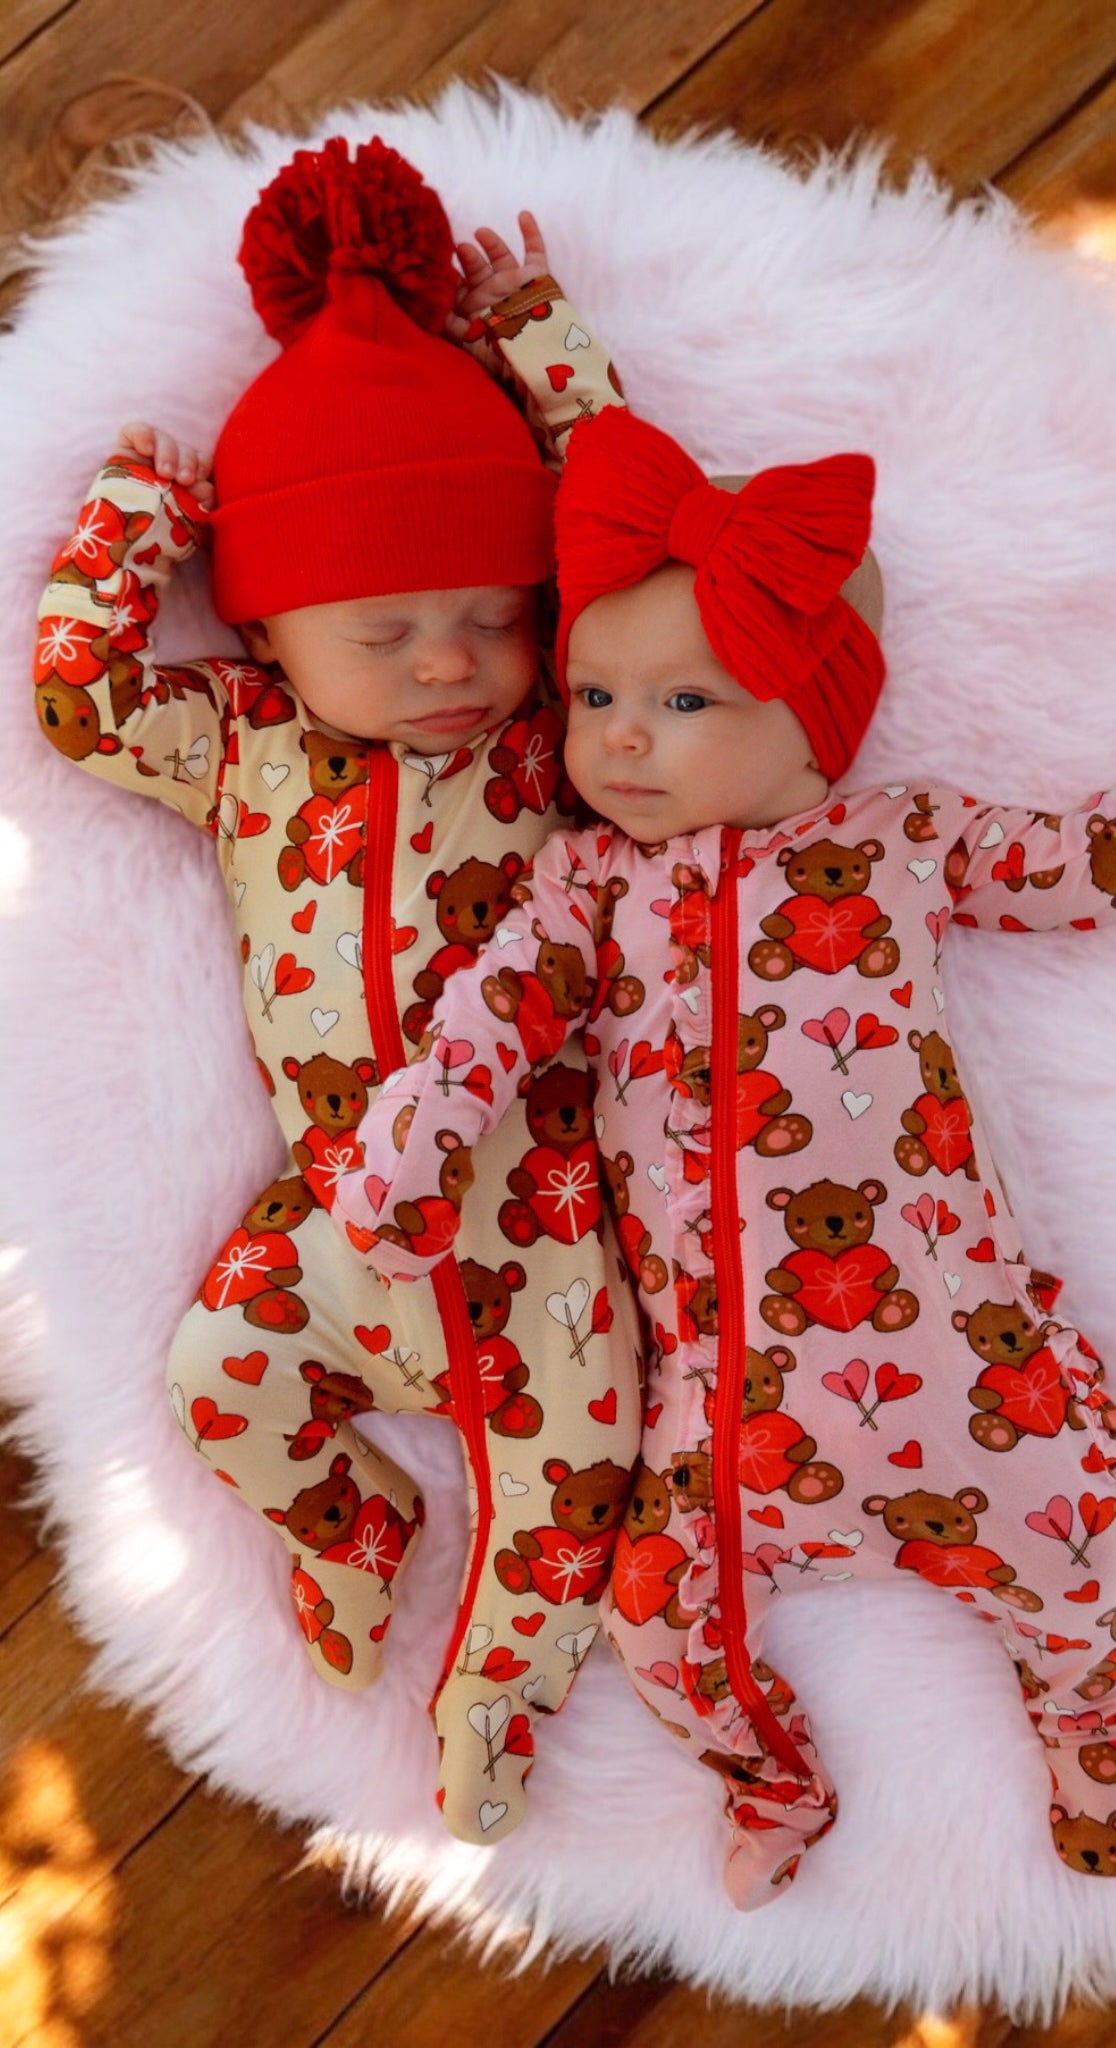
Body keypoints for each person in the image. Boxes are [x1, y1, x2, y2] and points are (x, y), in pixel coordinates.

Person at [332, 403, 1116, 1907]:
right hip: (732, 1416)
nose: (618, 738)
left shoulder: (899, 839)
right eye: (597, 694)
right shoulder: (589, 889)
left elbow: (1092, 866)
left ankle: (1093, 1726)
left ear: (818, 721)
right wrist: (409, 1161)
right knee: (659, 1622)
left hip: (965, 1357)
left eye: (684, 702)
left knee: (1078, 1547)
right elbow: (481, 1032)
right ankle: (771, 1777)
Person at [31, 137, 644, 1844]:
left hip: (539, 1221)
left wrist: (556, 372)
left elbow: (634, 569)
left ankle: (497, 1688)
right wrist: (131, 523)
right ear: (272, 633)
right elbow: (77, 700)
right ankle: (352, 1524)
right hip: (333, 1222)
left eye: (487, 616)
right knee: (215, 1378)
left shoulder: (558, 744)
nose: (450, 662)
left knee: (577, 1483)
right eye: (385, 632)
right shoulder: (238, 746)